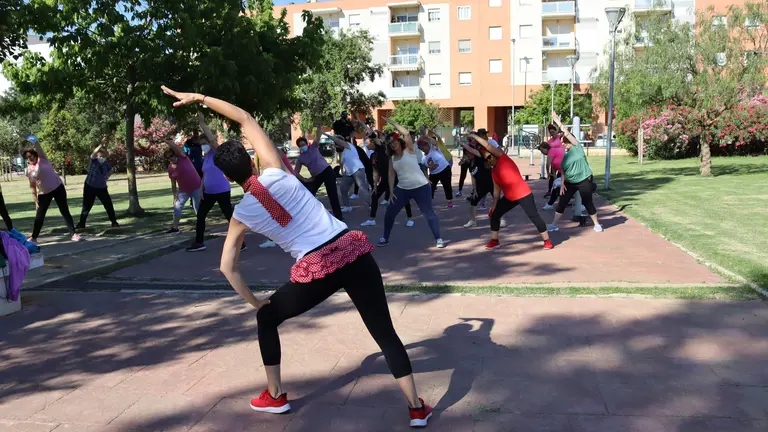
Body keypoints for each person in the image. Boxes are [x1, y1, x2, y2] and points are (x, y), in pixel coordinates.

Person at [161, 86, 433, 427]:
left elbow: (227, 266)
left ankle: (275, 396)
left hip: (319, 268)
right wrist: (200, 98)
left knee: (266, 319)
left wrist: (255, 302)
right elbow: (244, 117)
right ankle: (416, 408)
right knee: (384, 333)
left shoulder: (241, 214)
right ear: (252, 159)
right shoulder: (276, 169)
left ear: (227, 178)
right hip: (352, 251)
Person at [467, 132, 553, 251]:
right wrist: (493, 206)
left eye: (489, 157)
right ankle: (495, 241)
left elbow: (487, 145)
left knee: (534, 216)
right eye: (486, 160)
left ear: (494, 154)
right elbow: (496, 193)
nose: (489, 160)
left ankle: (547, 241)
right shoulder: (494, 172)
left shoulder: (503, 158)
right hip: (510, 197)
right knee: (494, 215)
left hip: (523, 193)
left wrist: (474, 136)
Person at [379, 117, 444, 249]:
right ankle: (385, 238)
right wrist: (391, 191)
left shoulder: (409, 149)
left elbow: (406, 133)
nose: (393, 144)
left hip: (421, 187)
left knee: (429, 213)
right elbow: (391, 174)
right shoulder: (392, 157)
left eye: (394, 141)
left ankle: (438, 238)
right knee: (390, 212)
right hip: (402, 189)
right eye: (390, 143)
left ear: (399, 141)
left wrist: (392, 122)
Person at [187, 113, 245, 252]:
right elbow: (205, 175)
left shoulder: (216, 152)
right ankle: (199, 242)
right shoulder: (206, 156)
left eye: (204, 143)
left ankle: (241, 242)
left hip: (222, 190)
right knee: (201, 215)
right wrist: (201, 189)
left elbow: (213, 140)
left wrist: (202, 123)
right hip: (208, 192)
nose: (203, 146)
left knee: (229, 216)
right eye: (201, 144)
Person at [547, 111, 603, 233]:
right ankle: (553, 225)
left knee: (587, 202)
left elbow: (566, 133)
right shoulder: (565, 157)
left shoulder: (578, 148)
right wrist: (562, 184)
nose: (562, 144)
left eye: (564, 142)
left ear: (569, 142)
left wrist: (557, 121)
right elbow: (563, 172)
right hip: (570, 182)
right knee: (561, 203)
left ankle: (597, 224)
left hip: (583, 180)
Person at [23, 136, 81, 243]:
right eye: (27, 158)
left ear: (35, 154)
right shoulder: (29, 170)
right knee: (40, 215)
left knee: (64, 211)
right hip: (44, 193)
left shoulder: (42, 159)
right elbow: (32, 186)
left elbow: (39, 148)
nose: (30, 158)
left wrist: (35, 142)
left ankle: (74, 234)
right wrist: (35, 200)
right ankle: (34, 237)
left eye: (31, 156)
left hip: (58, 187)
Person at [359, 127, 414, 228]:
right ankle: (372, 219)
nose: (366, 146)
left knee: (404, 198)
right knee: (374, 196)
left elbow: (374, 136)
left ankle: (410, 218)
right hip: (384, 180)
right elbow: (375, 172)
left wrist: (365, 127)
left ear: (372, 142)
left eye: (367, 144)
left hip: (395, 178)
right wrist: (375, 185)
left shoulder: (381, 148)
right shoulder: (373, 156)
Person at [293, 124, 344, 221]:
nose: (302, 147)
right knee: (309, 193)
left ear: (306, 144)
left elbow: (318, 136)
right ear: (299, 147)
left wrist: (318, 128)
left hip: (327, 172)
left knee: (332, 194)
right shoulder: (301, 158)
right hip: (316, 176)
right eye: (300, 146)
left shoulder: (313, 147)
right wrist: (305, 180)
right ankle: (309, 215)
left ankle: (339, 217)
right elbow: (295, 172)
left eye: (303, 144)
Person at [459, 139, 506, 229]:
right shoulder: (470, 164)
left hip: (492, 182)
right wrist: (474, 189)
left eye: (469, 153)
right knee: (474, 200)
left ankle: (502, 219)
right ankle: (473, 221)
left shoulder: (479, 157)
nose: (468, 155)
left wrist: (461, 143)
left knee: (497, 200)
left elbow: (473, 150)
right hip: (481, 186)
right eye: (467, 154)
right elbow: (473, 176)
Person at [76, 144, 119, 230]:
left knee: (108, 205)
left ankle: (114, 222)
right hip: (89, 186)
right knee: (86, 206)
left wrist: (106, 178)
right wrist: (101, 145)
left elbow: (111, 170)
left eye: (102, 156)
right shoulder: (94, 160)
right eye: (99, 156)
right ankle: (81, 223)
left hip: (101, 187)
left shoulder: (106, 164)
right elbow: (93, 153)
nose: (101, 157)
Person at [164, 139, 202, 234]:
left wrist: (167, 142)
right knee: (177, 207)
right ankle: (175, 228)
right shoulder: (170, 168)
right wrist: (174, 195)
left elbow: (177, 149)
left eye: (171, 156)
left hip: (196, 187)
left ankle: (201, 226)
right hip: (183, 190)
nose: (171, 158)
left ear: (175, 154)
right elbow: (173, 182)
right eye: (168, 158)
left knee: (197, 208)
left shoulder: (183, 158)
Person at [326, 134, 371, 212]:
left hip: (358, 170)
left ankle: (371, 205)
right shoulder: (342, 152)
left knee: (362, 188)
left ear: (340, 142)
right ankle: (347, 207)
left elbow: (338, 140)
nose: (336, 145)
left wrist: (326, 134)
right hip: (349, 173)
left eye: (336, 143)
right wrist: (343, 172)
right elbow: (342, 164)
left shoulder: (349, 146)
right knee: (343, 188)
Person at [417, 131, 453, 209]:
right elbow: (425, 169)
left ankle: (449, 200)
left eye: (424, 146)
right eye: (421, 148)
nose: (423, 148)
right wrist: (427, 179)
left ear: (427, 145)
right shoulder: (423, 159)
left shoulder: (434, 148)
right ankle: (428, 202)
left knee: (447, 186)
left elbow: (434, 142)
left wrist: (425, 136)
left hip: (444, 169)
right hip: (434, 174)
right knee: (430, 188)